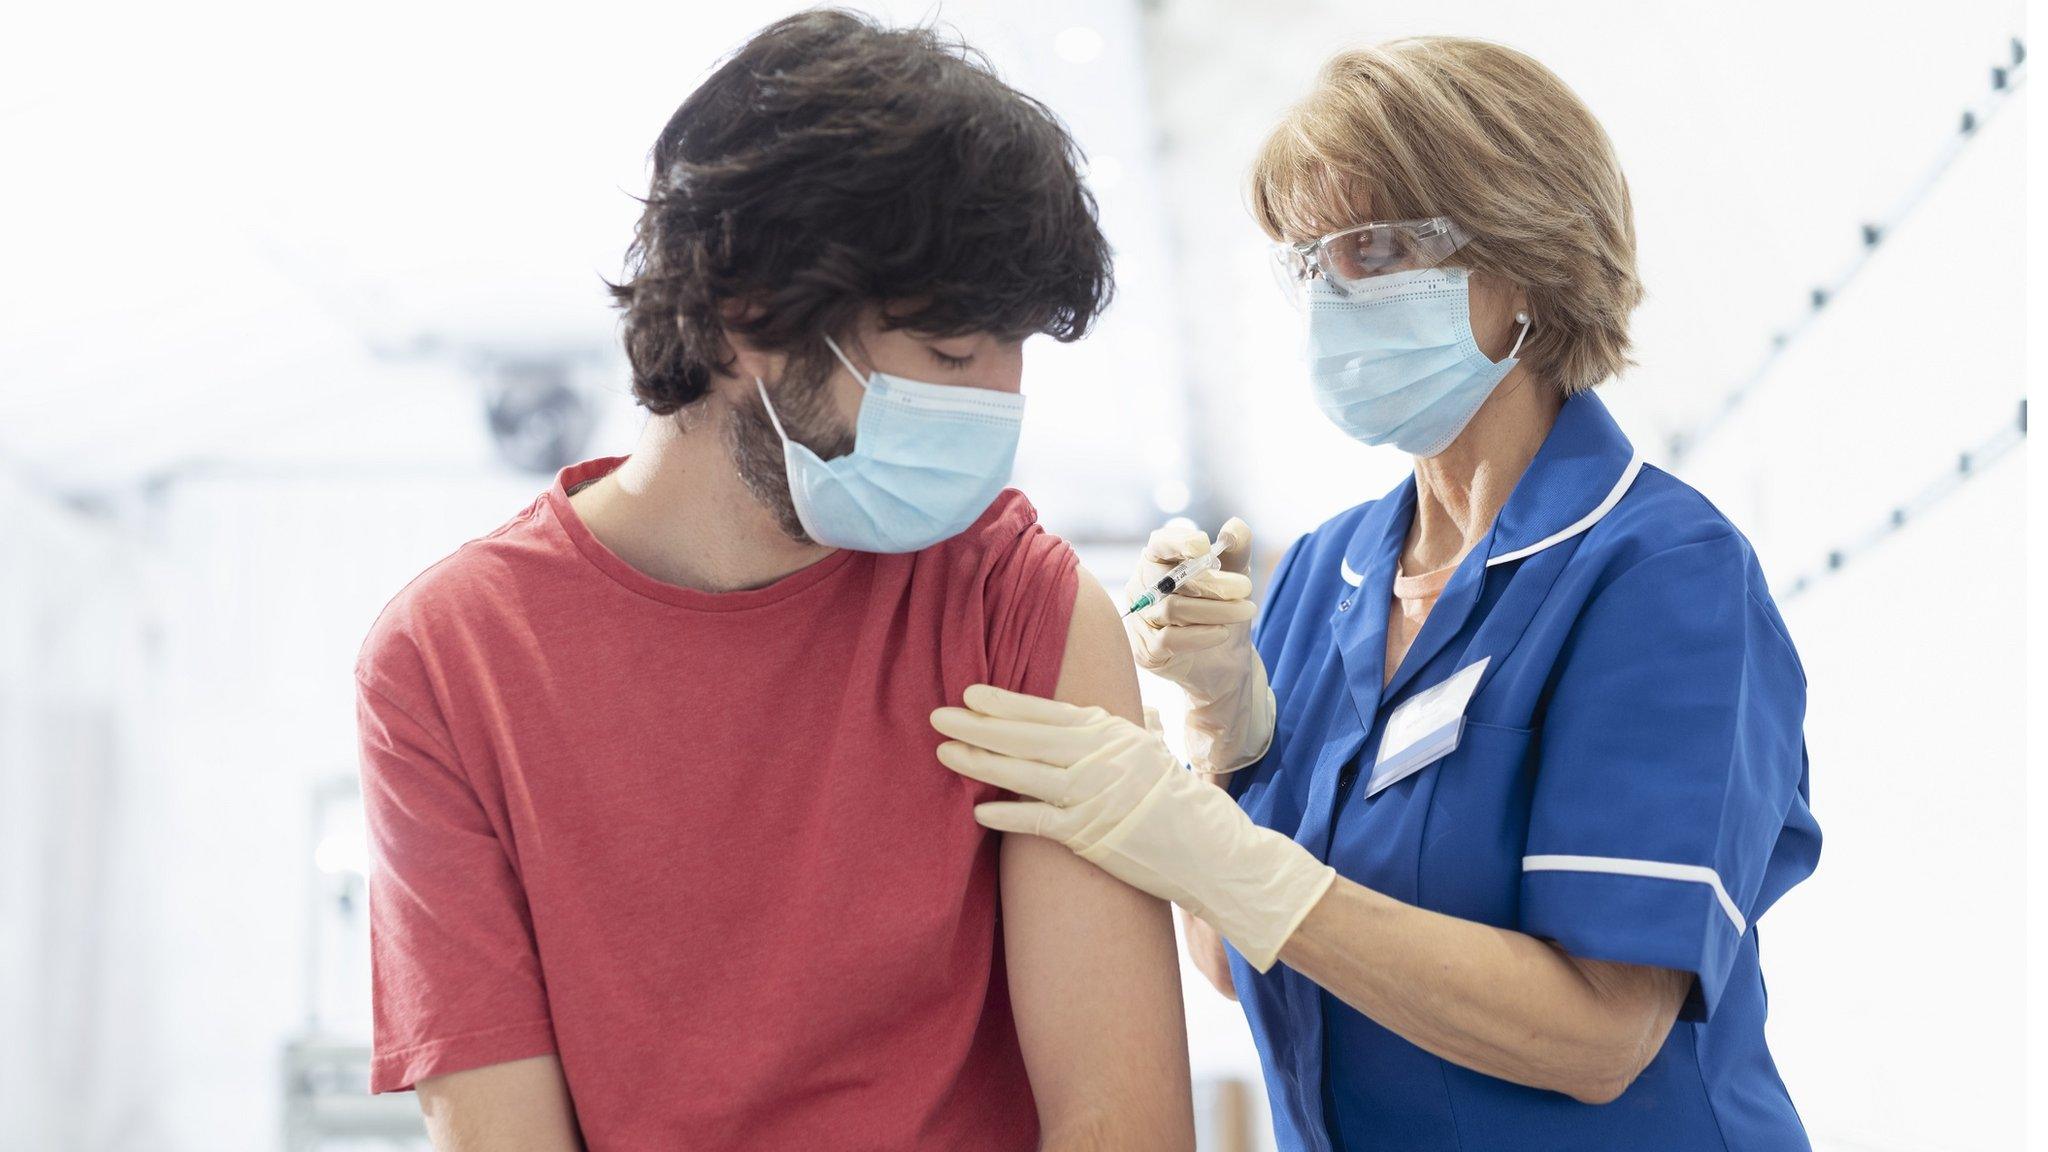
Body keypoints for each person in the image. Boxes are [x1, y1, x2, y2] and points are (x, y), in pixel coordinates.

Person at [929, 36, 1821, 1152]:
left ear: (1530, 257)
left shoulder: (1661, 574)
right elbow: (1239, 959)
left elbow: (1597, 1038)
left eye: (1378, 248)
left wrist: (1216, 851)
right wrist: (1219, 740)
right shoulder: (1321, 571)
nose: (1332, 297)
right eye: (1308, 262)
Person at [354, 11, 1194, 1150]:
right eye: (950, 356)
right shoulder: (453, 663)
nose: (993, 405)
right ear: (749, 312)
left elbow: (1119, 1122)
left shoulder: (1018, 607)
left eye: (1013, 356)